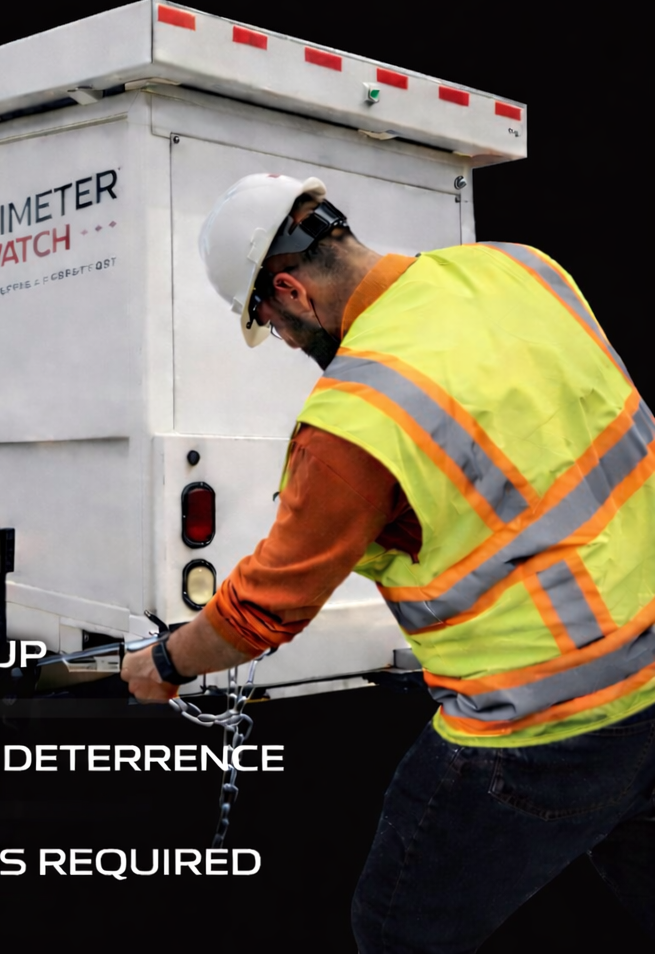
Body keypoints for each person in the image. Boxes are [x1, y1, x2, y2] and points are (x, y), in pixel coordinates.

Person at [121, 172, 654, 949]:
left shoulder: (359, 413)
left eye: (270, 323)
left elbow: (260, 612)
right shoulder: (519, 266)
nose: (286, 342)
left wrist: (166, 662)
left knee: (399, 930)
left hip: (544, 728)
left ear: (290, 292)